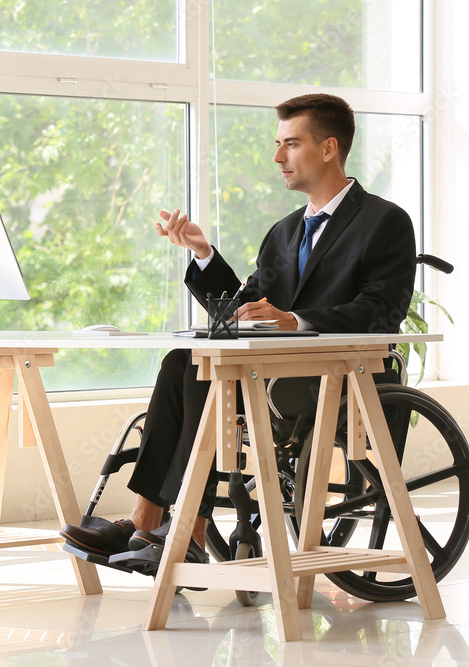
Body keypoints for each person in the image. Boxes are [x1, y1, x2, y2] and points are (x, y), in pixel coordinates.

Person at [60, 93, 416, 571]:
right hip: (266, 377)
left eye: (291, 144)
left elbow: (382, 311)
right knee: (183, 362)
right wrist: (203, 254)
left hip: (334, 378)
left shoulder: (384, 221)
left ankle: (186, 532)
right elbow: (241, 310)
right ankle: (148, 521)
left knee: (205, 375)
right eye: (278, 144)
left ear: (329, 148)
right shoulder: (284, 232)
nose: (278, 157)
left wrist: (297, 321)